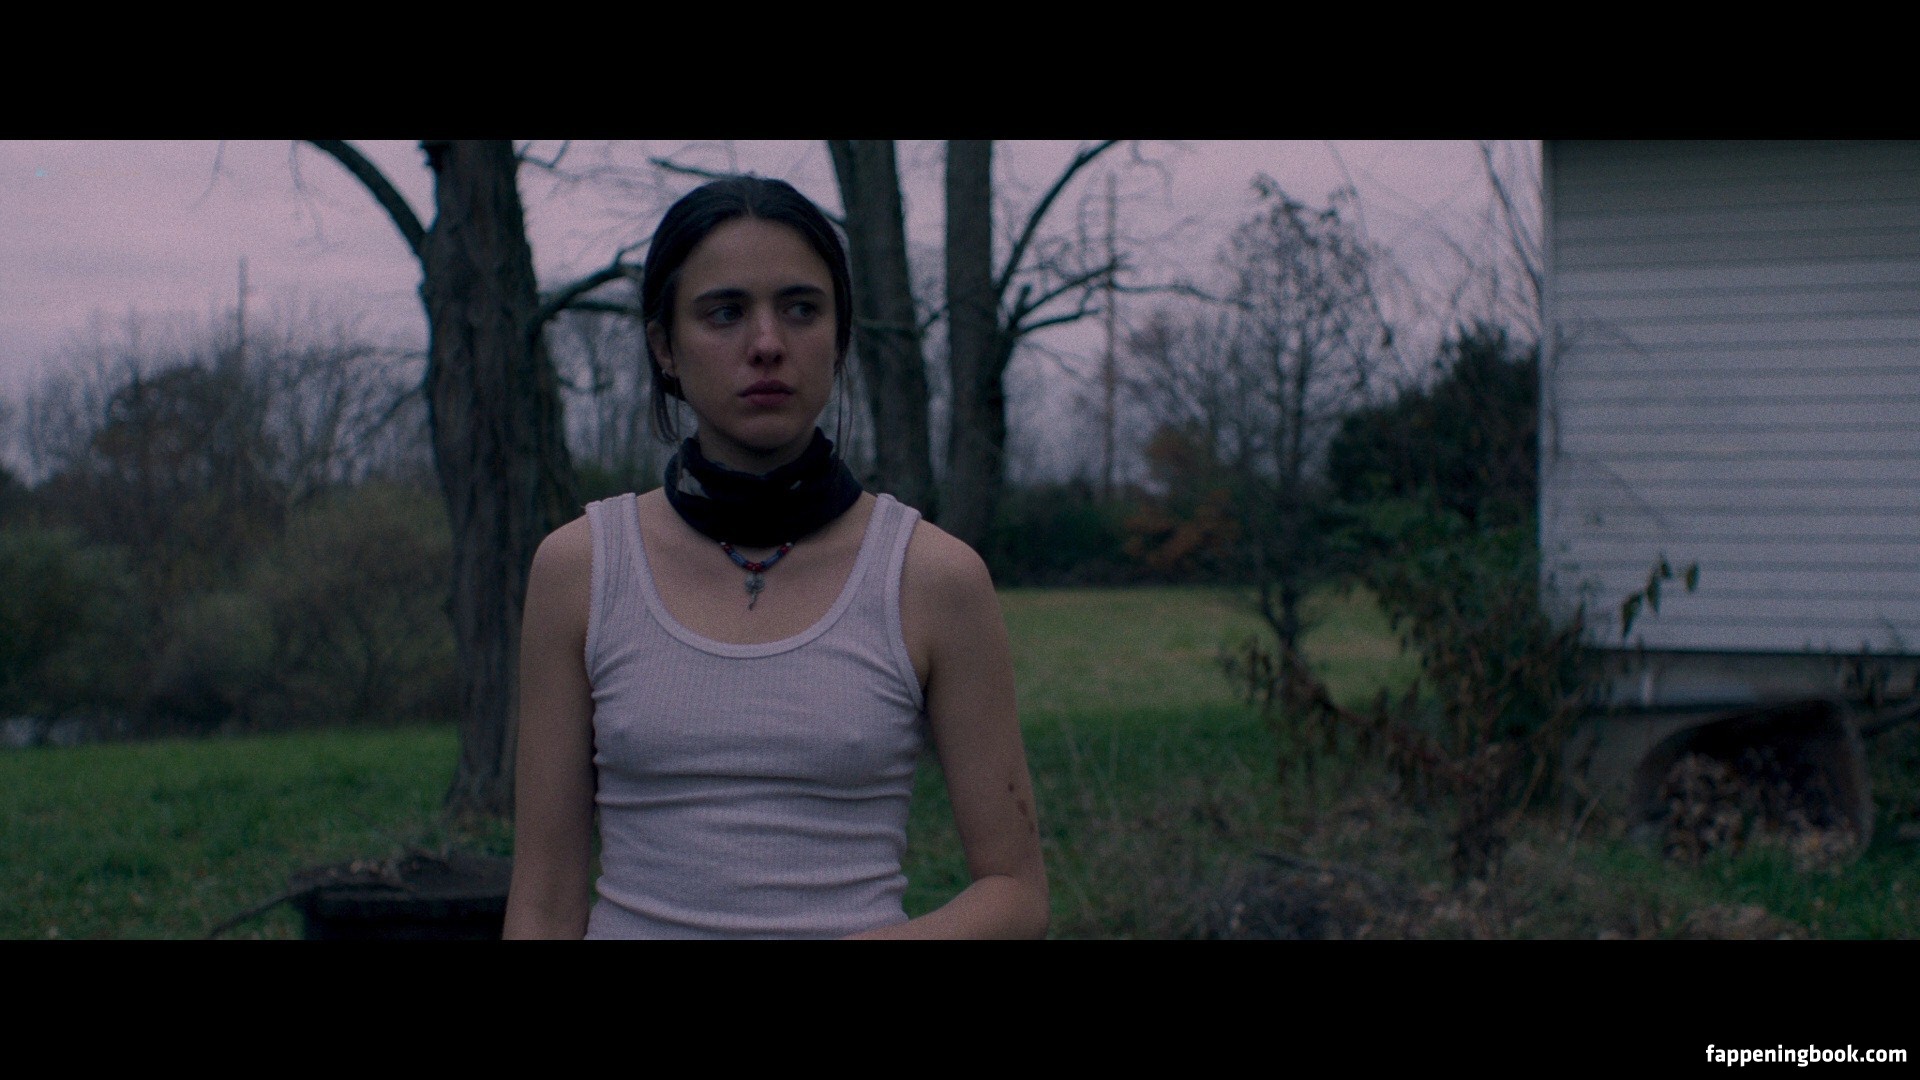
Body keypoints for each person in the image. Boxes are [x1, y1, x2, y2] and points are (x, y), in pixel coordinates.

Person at [503, 176, 1048, 939]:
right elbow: (543, 901)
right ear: (664, 346)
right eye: (724, 312)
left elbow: (1016, 892)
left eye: (801, 309)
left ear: (839, 336)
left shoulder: (932, 578)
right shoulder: (582, 569)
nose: (767, 343)